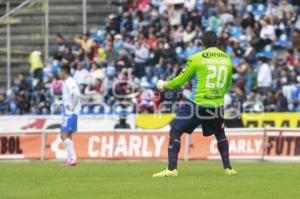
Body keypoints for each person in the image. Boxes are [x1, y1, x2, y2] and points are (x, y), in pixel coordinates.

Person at [153, 31, 237, 177]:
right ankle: (228, 168)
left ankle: (172, 169)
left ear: (202, 44)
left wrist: (164, 84)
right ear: (216, 43)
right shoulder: (227, 59)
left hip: (197, 103)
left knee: (175, 130)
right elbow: (228, 83)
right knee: (220, 133)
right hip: (216, 104)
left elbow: (180, 80)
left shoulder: (196, 58)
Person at [59, 65, 81, 167]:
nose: (59, 74)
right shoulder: (67, 82)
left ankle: (72, 157)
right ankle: (71, 158)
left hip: (71, 113)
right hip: (68, 113)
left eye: (60, 72)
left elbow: (76, 94)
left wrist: (72, 107)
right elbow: (68, 97)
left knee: (63, 135)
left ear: (64, 72)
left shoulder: (70, 81)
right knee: (68, 136)